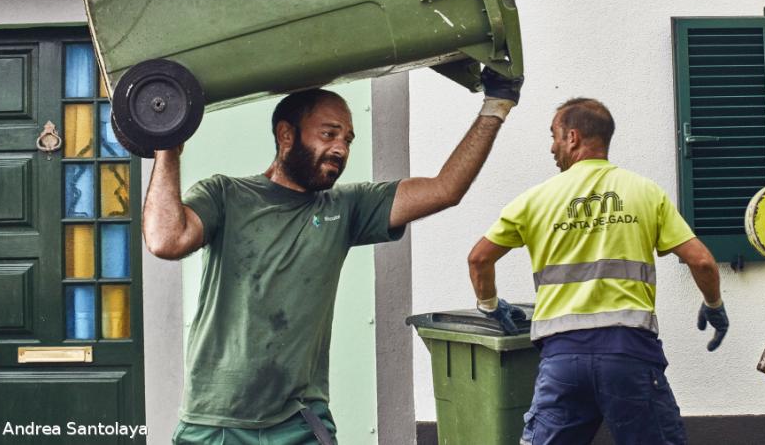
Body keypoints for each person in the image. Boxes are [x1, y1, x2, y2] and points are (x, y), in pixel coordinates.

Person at [143, 70, 522, 445]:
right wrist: (167, 144)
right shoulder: (226, 194)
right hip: (216, 422)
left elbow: (445, 189)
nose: (341, 148)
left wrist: (496, 105)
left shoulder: (348, 207)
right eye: (329, 134)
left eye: (348, 139)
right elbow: (165, 240)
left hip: (299, 421)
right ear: (286, 135)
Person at [467, 97, 728, 445]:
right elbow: (702, 261)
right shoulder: (645, 192)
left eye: (554, 136)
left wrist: (491, 306)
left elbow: (479, 259)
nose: (552, 147)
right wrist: (713, 305)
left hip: (562, 359)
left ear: (572, 137)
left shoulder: (534, 199)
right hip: (629, 353)